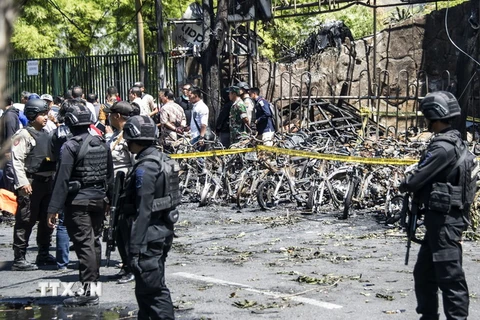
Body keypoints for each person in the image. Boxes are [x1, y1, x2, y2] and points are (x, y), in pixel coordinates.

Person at [399, 91, 470, 320]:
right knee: (424, 274)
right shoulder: (453, 141)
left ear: (434, 116)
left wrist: (405, 183)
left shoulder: (443, 147)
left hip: (445, 223)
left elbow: (415, 180)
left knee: (450, 278)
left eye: (426, 116)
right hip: (438, 222)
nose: (425, 121)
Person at [46, 100, 113, 307]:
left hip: (78, 202)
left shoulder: (70, 146)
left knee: (85, 245)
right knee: (93, 242)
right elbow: (109, 176)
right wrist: (108, 199)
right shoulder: (101, 142)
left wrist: (53, 209)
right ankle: (92, 284)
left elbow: (61, 179)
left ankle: (89, 291)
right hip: (99, 200)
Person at [121, 115, 178, 319]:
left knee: (153, 292)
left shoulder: (146, 168)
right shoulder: (160, 160)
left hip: (148, 237)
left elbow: (143, 211)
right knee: (145, 290)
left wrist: (134, 249)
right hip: (159, 232)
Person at [11, 98, 57, 271]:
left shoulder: (47, 132)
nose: (45, 117)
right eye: (41, 114)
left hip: (47, 182)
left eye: (46, 113)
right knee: (25, 220)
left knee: (47, 220)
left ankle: (43, 253)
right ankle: (19, 258)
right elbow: (17, 161)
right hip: (30, 183)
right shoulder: (23, 135)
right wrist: (22, 183)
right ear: (32, 115)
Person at [104, 100, 136, 284]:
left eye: (110, 114)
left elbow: (134, 165)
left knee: (126, 230)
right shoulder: (117, 135)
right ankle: (125, 265)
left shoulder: (129, 136)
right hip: (114, 191)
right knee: (116, 230)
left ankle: (131, 267)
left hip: (125, 191)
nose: (108, 116)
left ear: (117, 116)